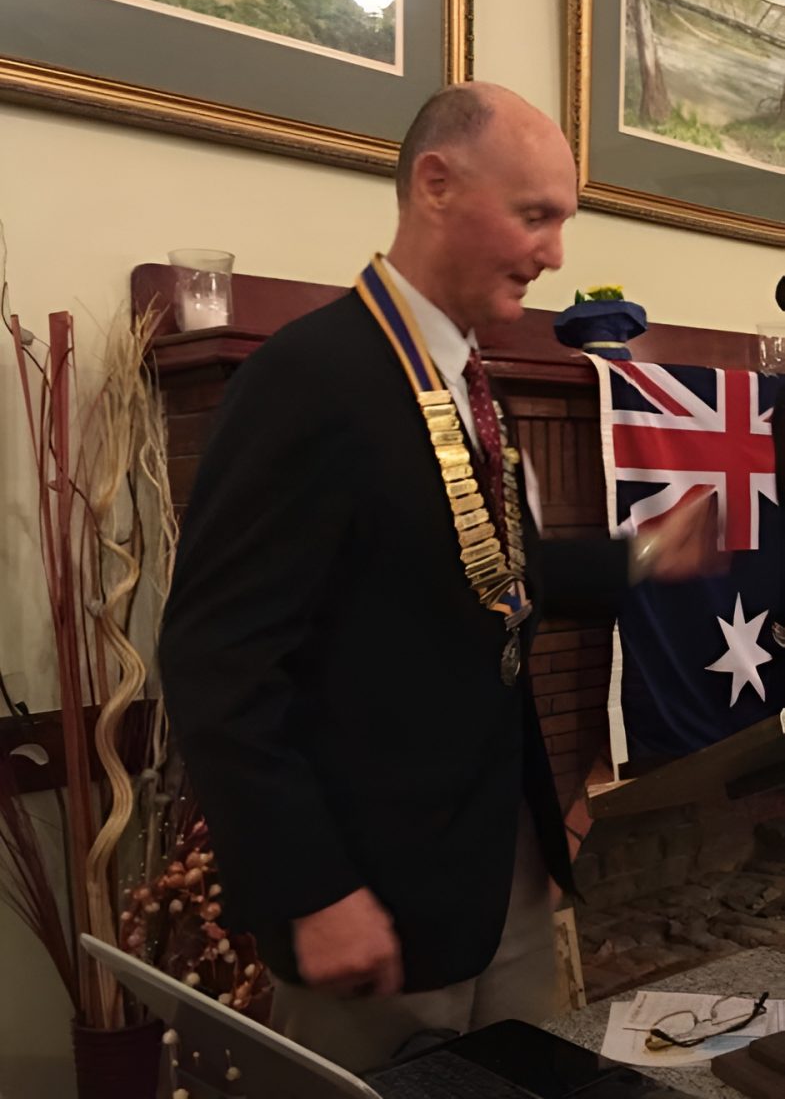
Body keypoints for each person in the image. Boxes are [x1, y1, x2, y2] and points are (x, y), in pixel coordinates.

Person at [158, 82, 720, 1073]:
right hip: (366, 899)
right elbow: (215, 665)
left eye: (561, 221)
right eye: (534, 214)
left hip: (496, 873)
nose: (553, 255)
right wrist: (309, 890)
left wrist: (641, 554)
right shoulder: (310, 377)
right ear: (434, 184)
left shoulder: (464, 377)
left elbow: (483, 573)